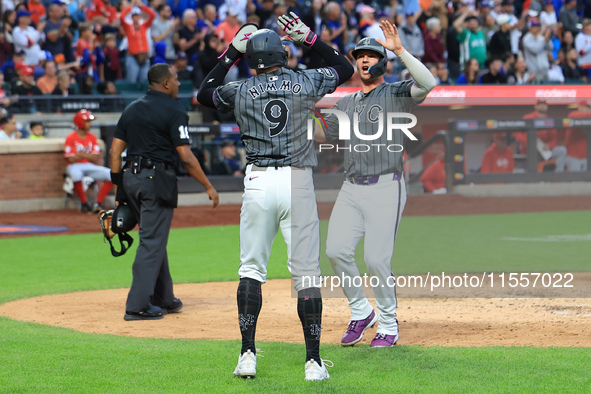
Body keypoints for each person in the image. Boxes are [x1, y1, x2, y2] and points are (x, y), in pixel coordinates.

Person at [197, 15, 353, 380]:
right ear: (284, 53)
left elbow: (205, 92)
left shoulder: (240, 89)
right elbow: (344, 68)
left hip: (258, 182)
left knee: (251, 269)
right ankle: (313, 362)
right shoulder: (305, 80)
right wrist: (310, 39)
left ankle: (247, 354)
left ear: (252, 59)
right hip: (298, 181)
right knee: (307, 273)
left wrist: (231, 52)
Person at [317, 21, 436, 349]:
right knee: (336, 250)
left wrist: (400, 50)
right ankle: (361, 311)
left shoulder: (396, 93)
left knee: (376, 260)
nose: (364, 60)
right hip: (351, 187)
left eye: (371, 55)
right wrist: (299, 107)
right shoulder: (346, 103)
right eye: (360, 56)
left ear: (382, 62)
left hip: (387, 185)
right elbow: (319, 132)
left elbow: (428, 83)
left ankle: (388, 323)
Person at [110, 63, 219, 321]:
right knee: (151, 241)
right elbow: (186, 156)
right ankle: (137, 305)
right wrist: (208, 185)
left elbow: (115, 152)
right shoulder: (174, 110)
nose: (180, 84)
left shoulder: (132, 108)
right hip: (155, 180)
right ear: (166, 84)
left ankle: (164, 298)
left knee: (153, 237)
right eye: (177, 79)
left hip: (130, 177)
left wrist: (118, 189)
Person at [64, 109, 114, 213]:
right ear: (80, 122)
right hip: (74, 166)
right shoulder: (71, 137)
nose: (90, 124)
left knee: (111, 174)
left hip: (88, 165)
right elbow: (71, 158)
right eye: (87, 122)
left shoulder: (92, 137)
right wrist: (87, 155)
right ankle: (85, 203)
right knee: (76, 174)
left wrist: (80, 154)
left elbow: (95, 157)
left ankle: (98, 203)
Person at [521, 99, 567, 172]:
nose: (542, 106)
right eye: (540, 104)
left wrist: (549, 145)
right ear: (535, 106)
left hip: (545, 151)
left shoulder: (549, 120)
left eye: (544, 104)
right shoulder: (528, 118)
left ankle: (558, 176)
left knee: (562, 150)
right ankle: (534, 178)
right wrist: (527, 142)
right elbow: (517, 133)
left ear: (547, 107)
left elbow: (554, 139)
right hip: (532, 151)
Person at [120, 0, 156, 83]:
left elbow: (153, 15)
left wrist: (141, 5)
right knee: (132, 81)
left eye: (137, 16)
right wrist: (131, 6)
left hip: (144, 56)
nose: (136, 17)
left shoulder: (144, 26)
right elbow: (122, 17)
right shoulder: (128, 27)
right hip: (132, 56)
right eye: (134, 16)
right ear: (132, 17)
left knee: (144, 81)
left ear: (140, 16)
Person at [565, 100, 590, 172]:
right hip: (573, 155)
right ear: (580, 108)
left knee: (586, 181)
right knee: (575, 181)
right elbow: (572, 116)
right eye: (586, 107)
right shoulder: (573, 114)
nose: (588, 110)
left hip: (587, 156)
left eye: (589, 108)